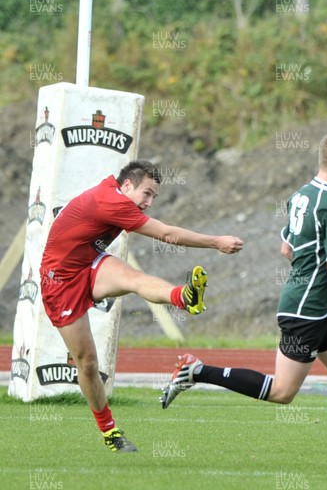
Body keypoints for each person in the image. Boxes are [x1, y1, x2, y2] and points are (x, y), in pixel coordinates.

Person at [160, 131, 327, 472]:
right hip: (305, 312)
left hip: (321, 306)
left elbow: (288, 250)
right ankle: (197, 371)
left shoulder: (299, 196)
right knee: (282, 392)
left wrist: (325, 285)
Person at [40, 159, 243, 452]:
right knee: (87, 364)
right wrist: (216, 242)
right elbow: (167, 234)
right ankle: (109, 431)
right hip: (59, 281)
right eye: (146, 193)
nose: (148, 202)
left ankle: (184, 297)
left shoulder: (113, 191)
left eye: (153, 197)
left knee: (135, 278)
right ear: (126, 185)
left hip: (88, 263)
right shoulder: (112, 201)